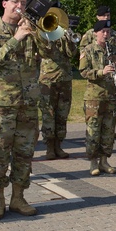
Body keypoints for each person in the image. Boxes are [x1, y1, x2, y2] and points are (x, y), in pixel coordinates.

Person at [0, 0, 55, 219]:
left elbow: (50, 52)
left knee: (24, 154)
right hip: (1, 106)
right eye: (14, 1)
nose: (19, 5)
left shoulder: (31, 29)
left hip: (28, 104)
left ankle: (18, 198)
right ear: (4, 4)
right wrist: (16, 38)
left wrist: (38, 33)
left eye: (23, 2)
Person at [79, 19, 116, 176]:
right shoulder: (88, 50)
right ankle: (93, 162)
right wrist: (100, 72)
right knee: (94, 130)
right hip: (94, 96)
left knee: (108, 130)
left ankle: (104, 161)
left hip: (111, 95)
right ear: (96, 33)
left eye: (108, 32)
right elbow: (83, 71)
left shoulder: (112, 50)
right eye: (103, 31)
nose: (106, 34)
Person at [39, 13, 79, 159]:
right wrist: (48, 36)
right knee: (48, 114)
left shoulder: (64, 35)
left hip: (65, 79)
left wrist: (69, 38)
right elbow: (44, 52)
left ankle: (58, 146)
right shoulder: (43, 34)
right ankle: (49, 147)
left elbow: (71, 53)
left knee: (62, 114)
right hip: (48, 80)